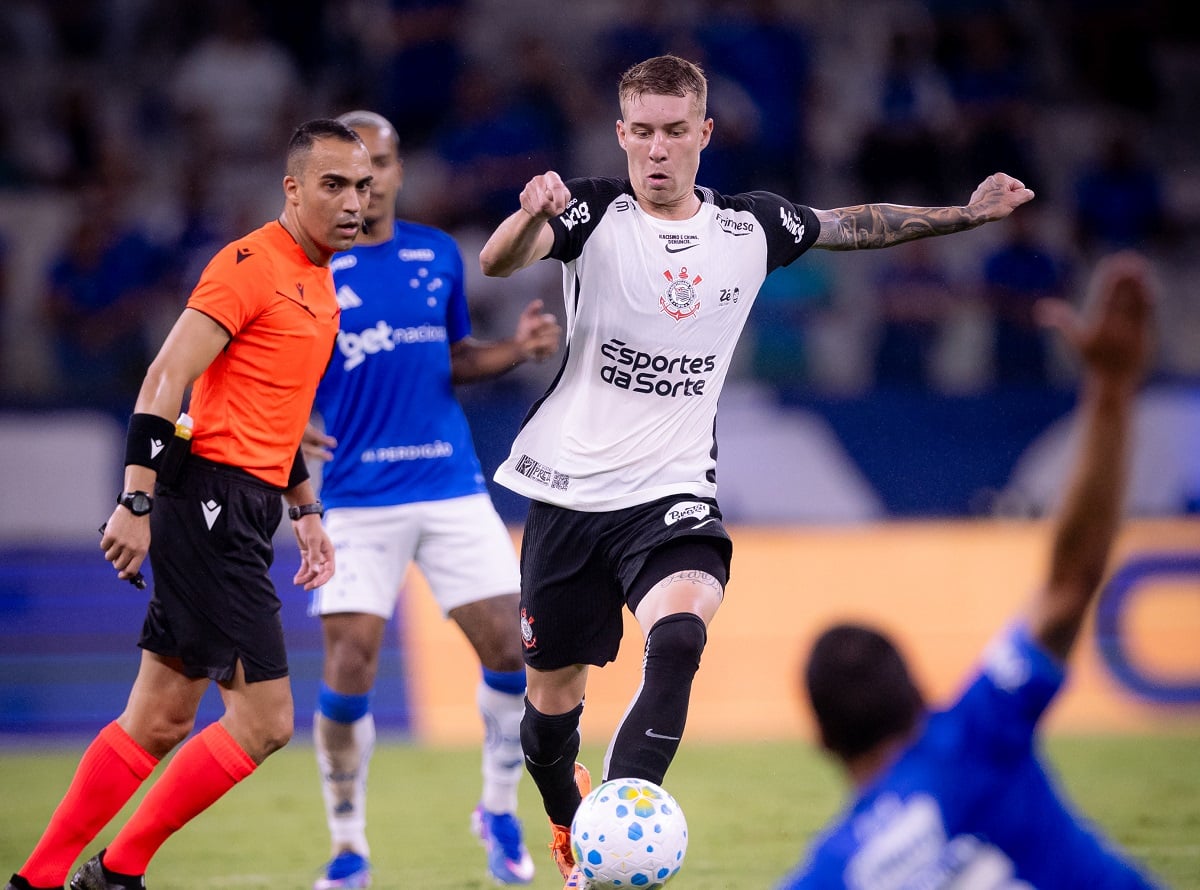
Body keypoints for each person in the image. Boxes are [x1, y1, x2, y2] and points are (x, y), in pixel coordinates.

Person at [477, 54, 1035, 888]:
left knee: (680, 636)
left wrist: (965, 213)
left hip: (670, 494)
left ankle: (612, 846)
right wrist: (529, 216)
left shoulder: (750, 227)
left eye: (675, 132)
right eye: (642, 133)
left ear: (704, 134)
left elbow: (858, 222)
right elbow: (498, 261)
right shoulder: (593, 210)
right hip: (566, 495)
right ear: (621, 133)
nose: (657, 150)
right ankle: (571, 821)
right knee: (548, 722)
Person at [4, 118, 372, 890]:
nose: (351, 201)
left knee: (161, 718)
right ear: (293, 188)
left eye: (362, 187)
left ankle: (39, 880)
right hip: (205, 499)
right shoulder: (247, 264)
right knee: (266, 721)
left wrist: (305, 509)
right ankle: (117, 872)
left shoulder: (320, 283)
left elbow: (281, 418)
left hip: (243, 501)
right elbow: (165, 379)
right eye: (333, 184)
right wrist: (134, 500)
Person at [779, 251, 1160, 888]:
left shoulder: (829, 874)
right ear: (920, 695)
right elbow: (1071, 583)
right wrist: (1112, 392)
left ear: (822, 743)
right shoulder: (981, 730)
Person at [302, 110, 561, 889]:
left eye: (378, 164)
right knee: (349, 666)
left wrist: (514, 351)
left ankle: (498, 809)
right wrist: (292, 425)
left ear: (397, 168)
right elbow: (270, 364)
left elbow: (449, 357)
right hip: (355, 497)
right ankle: (349, 846)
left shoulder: (436, 254)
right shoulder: (307, 266)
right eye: (350, 170)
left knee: (515, 652)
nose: (367, 182)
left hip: (448, 484)